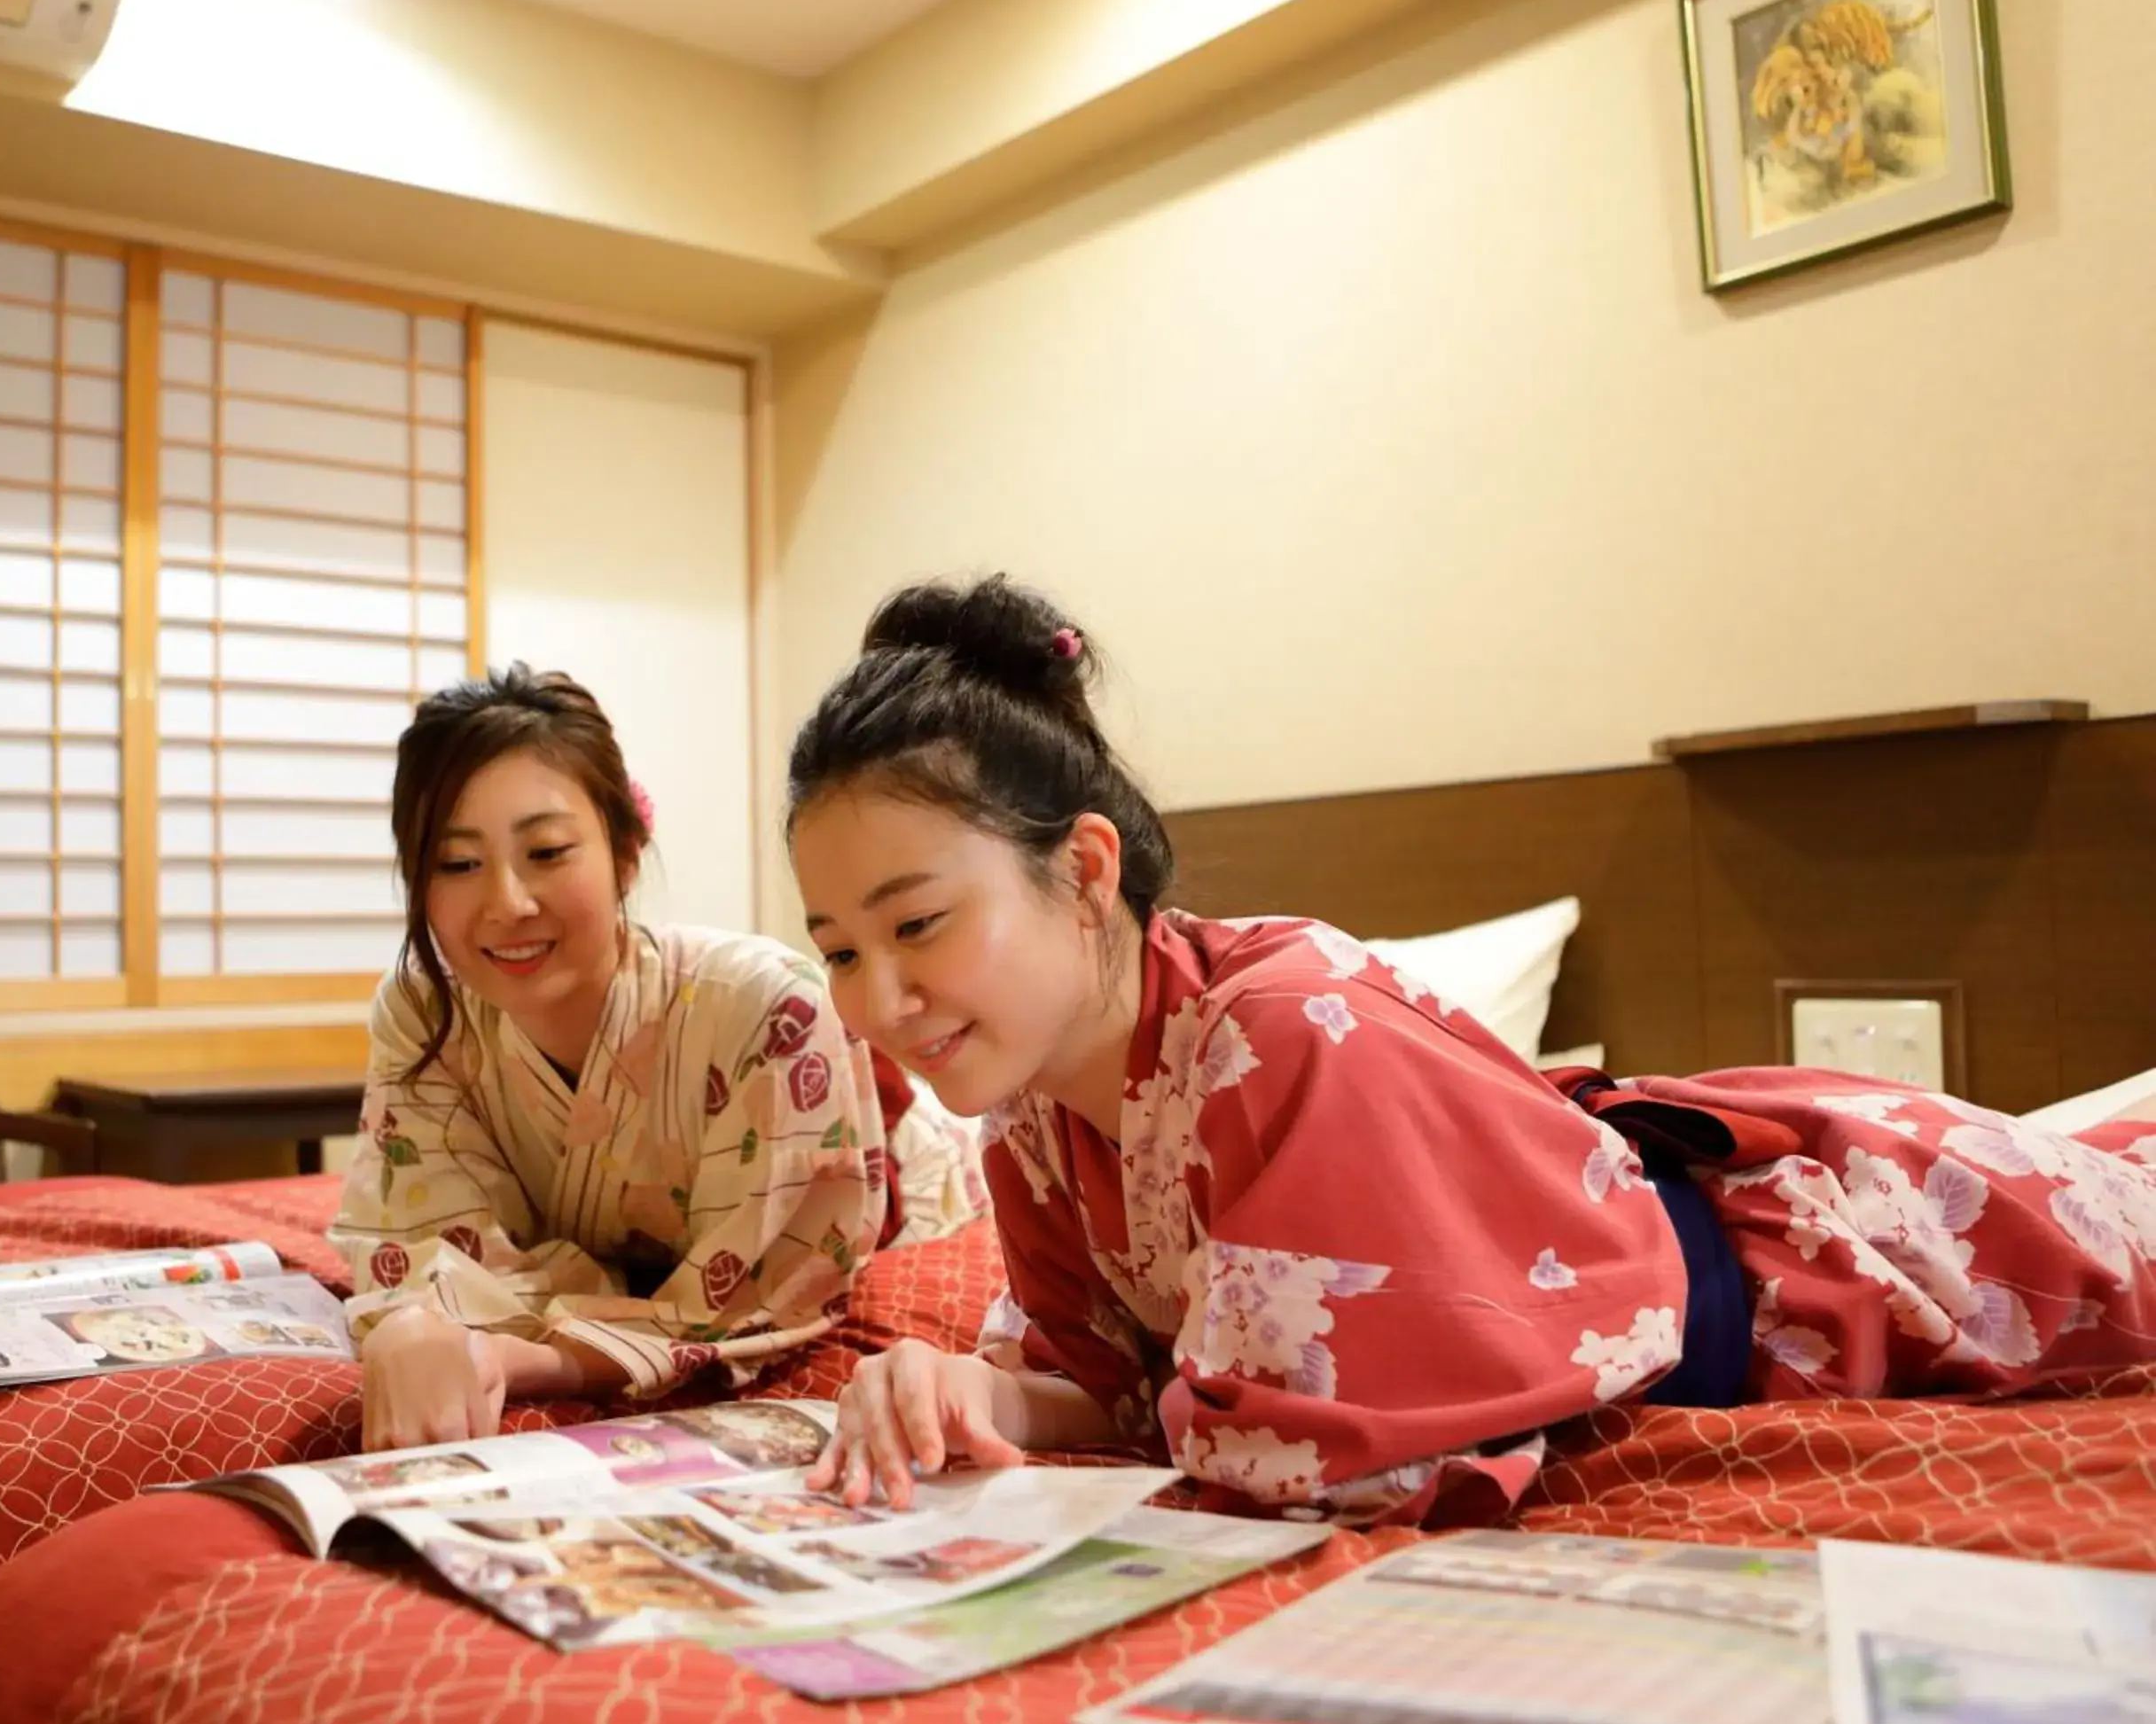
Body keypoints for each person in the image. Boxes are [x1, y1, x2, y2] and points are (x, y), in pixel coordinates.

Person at [785, 574, 2156, 1521]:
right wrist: (972, 1393)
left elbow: (1307, 1451)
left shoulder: (1286, 1025)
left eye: (918, 925)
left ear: (1083, 871)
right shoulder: (1029, 1113)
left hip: (1833, 1260)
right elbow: (1100, 1385)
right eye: (841, 948)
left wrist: (1062, 1406)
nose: (880, 996)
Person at [332, 665, 983, 1452]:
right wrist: (416, 1320)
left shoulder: (762, 1003)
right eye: (457, 864)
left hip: (906, 1202)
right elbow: (417, 1238)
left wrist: (516, 1345)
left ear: (626, 856)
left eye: (546, 851)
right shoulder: (424, 1009)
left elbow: (766, 1294)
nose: (506, 902)